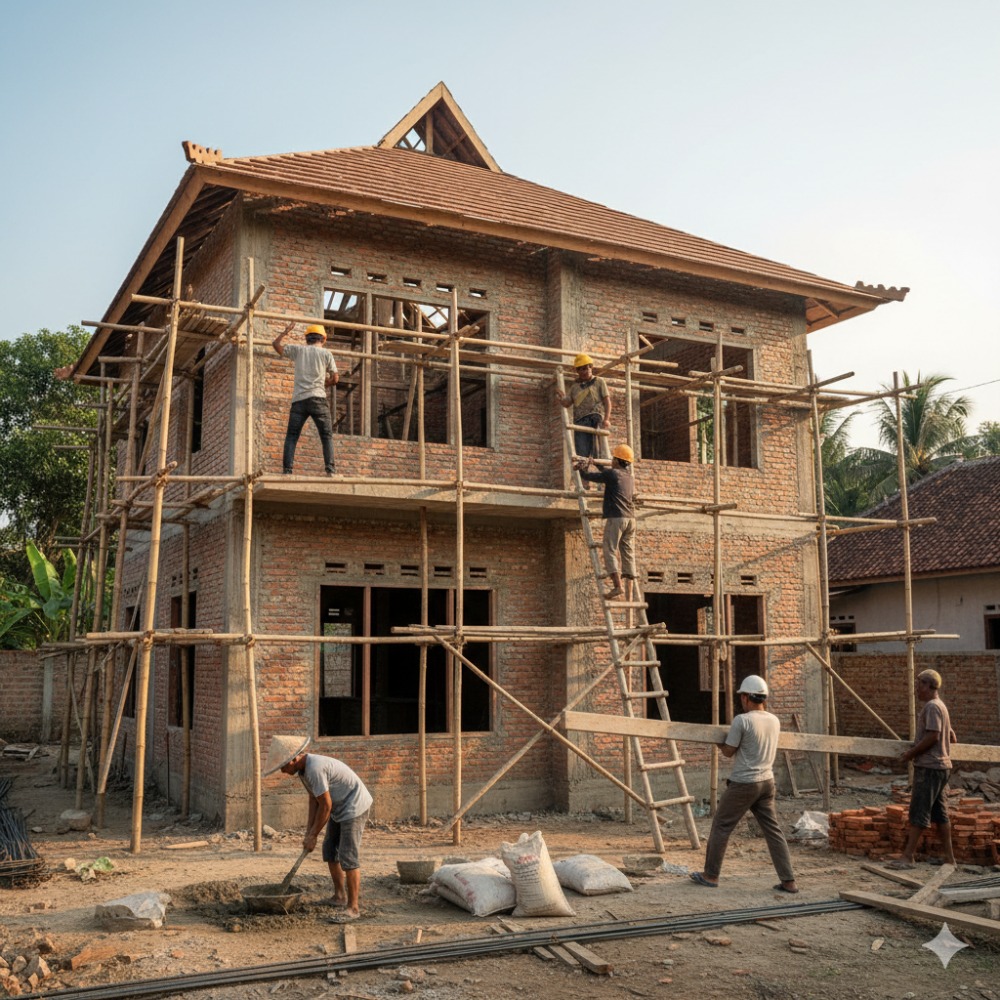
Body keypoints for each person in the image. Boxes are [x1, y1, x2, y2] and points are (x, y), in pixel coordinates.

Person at [690, 675, 799, 893]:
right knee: (773, 831)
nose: (741, 700)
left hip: (744, 783)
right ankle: (789, 881)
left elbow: (729, 751)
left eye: (742, 697)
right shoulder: (774, 720)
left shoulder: (743, 720)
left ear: (747, 697)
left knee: (721, 825)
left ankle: (710, 875)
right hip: (767, 782)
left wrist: (719, 740)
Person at [265, 735, 373, 919]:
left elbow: (326, 805)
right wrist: (309, 832)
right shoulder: (302, 771)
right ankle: (339, 897)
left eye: (284, 766)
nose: (283, 771)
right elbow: (314, 800)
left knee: (348, 856)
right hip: (339, 806)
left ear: (295, 758)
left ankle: (353, 908)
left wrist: (314, 834)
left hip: (354, 805)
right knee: (330, 850)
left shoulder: (314, 768)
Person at [889, 669, 957, 869]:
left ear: (928, 685)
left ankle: (908, 856)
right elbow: (951, 737)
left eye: (919, 684)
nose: (916, 689)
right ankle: (950, 859)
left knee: (919, 811)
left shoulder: (932, 707)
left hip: (929, 767)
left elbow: (933, 736)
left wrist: (910, 754)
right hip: (942, 767)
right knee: (941, 813)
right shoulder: (941, 707)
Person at [272, 322, 339, 475]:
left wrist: (285, 331)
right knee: (326, 435)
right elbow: (335, 378)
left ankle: (287, 471)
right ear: (323, 339)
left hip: (299, 401)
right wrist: (324, 384)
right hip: (318, 399)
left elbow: (275, 345)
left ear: (306, 339)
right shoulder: (326, 354)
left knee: (292, 436)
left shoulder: (298, 351)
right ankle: (330, 470)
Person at [576, 444, 636, 601]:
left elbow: (591, 477)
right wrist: (595, 463)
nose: (611, 460)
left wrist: (583, 468)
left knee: (609, 549)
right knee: (626, 547)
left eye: (613, 458)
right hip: (631, 519)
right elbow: (608, 474)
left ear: (616, 460)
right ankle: (629, 573)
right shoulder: (629, 477)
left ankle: (617, 586)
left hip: (617, 518)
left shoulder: (612, 474)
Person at [556, 353, 611, 462]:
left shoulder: (599, 382)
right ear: (577, 371)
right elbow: (567, 404)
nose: (584, 371)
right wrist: (562, 399)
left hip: (594, 417)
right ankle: (583, 473)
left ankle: (601, 462)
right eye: (580, 369)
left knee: (597, 452)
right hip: (580, 421)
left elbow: (607, 401)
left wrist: (606, 419)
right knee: (581, 454)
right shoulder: (575, 387)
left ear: (591, 367)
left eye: (586, 368)